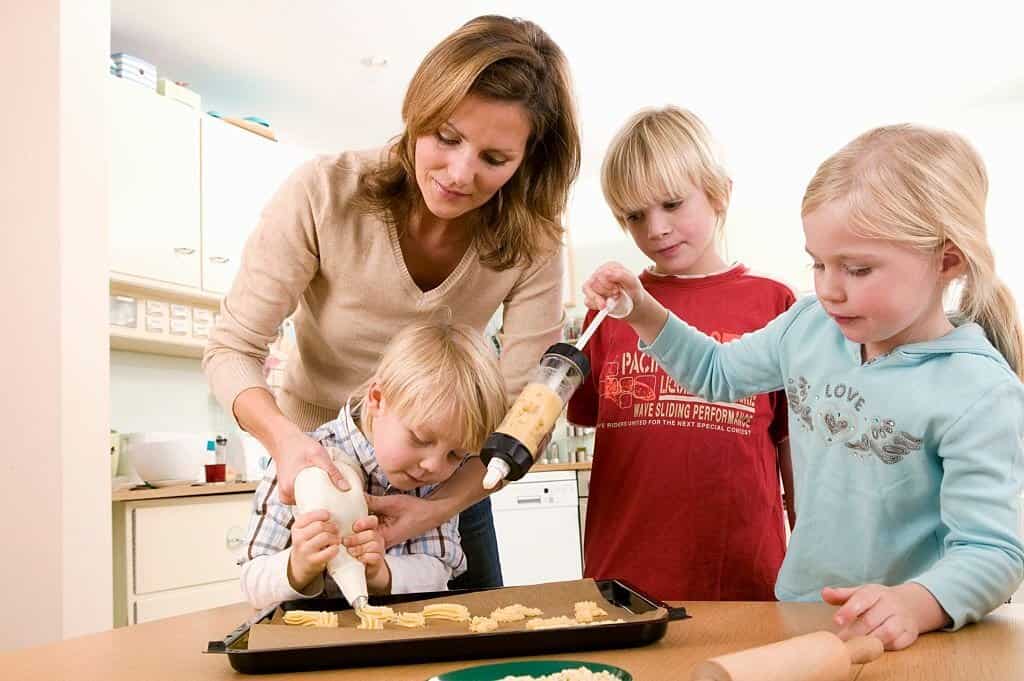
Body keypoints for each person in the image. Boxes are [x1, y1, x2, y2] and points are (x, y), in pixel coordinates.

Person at [582, 124, 1024, 649]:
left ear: (945, 260)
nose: (829, 289)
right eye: (817, 263)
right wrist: (646, 313)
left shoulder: (978, 390)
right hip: (798, 614)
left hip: (912, 639)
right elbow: (717, 373)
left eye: (858, 269)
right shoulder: (810, 326)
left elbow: (993, 551)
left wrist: (916, 603)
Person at [203, 14, 581, 590]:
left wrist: (439, 505)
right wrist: (287, 444)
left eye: (494, 159)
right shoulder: (323, 192)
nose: (458, 174)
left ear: (528, 160)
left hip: (450, 478)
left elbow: (521, 410)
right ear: (417, 112)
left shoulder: (533, 241)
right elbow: (232, 347)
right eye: (446, 138)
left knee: (469, 645)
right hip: (320, 466)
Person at [567, 106, 796, 602]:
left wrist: (815, 555)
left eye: (672, 204)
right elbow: (577, 411)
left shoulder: (775, 304)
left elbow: (794, 445)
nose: (656, 229)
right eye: (635, 215)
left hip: (745, 578)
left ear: (720, 194)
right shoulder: (611, 309)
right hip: (623, 579)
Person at [239, 321, 508, 610]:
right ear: (377, 399)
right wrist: (296, 567)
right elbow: (252, 582)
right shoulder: (301, 463)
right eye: (419, 438)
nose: (433, 466)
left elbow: (439, 573)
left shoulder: (439, 481)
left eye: (455, 455)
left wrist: (382, 574)